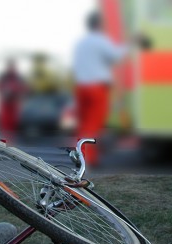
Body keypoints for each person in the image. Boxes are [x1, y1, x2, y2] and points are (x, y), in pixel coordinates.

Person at [72, 11, 129, 166]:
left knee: (83, 124)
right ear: (99, 24)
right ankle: (87, 159)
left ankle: (81, 154)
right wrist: (131, 44)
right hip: (97, 87)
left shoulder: (81, 43)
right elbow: (116, 56)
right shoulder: (100, 40)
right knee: (93, 125)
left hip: (81, 87)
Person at [0, 59, 28, 136]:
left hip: (15, 103)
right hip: (5, 103)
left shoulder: (18, 77)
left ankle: (14, 141)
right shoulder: (3, 77)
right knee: (5, 124)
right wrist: (6, 92)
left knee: (15, 123)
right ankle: (4, 141)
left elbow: (25, 88)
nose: (11, 68)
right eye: (10, 66)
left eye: (13, 66)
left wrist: (19, 93)